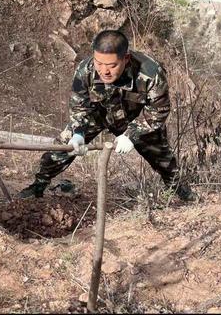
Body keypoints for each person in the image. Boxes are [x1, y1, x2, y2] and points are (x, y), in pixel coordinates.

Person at [19, 29, 197, 202]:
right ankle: (38, 185)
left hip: (137, 121)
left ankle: (179, 190)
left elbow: (158, 112)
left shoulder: (150, 72)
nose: (104, 71)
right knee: (63, 147)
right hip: (98, 115)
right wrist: (78, 133)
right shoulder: (85, 71)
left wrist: (131, 135)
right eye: (99, 63)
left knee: (163, 157)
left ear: (125, 58)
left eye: (111, 65)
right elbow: (79, 107)